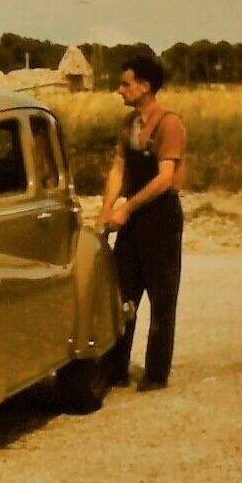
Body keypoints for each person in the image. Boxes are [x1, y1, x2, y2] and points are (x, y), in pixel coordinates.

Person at [98, 53, 187, 391]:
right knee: (123, 294)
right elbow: (119, 168)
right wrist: (106, 209)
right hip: (133, 218)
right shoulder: (128, 125)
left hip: (161, 218)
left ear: (145, 86)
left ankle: (156, 373)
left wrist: (127, 208)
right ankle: (115, 368)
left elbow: (165, 178)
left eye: (125, 83)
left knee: (162, 299)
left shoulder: (169, 124)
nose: (119, 90)